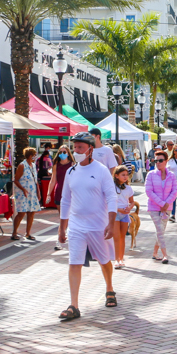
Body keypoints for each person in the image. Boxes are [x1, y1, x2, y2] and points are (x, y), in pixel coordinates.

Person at [57, 133, 118, 320]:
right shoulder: (70, 172)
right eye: (74, 148)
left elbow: (111, 196)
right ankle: (74, 305)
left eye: (80, 148)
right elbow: (65, 200)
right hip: (76, 225)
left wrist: (111, 222)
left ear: (90, 149)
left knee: (104, 260)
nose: (76, 151)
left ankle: (109, 288)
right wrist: (62, 227)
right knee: (74, 263)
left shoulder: (101, 170)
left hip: (98, 225)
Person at [144, 150, 175, 264]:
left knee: (161, 231)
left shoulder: (171, 175)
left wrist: (166, 203)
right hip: (154, 207)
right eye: (156, 161)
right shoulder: (150, 175)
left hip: (167, 208)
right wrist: (162, 204)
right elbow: (149, 191)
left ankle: (155, 253)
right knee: (160, 231)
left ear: (166, 161)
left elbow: (174, 191)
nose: (158, 163)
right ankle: (165, 255)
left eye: (160, 160)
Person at [110, 165, 137, 269]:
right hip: (115, 214)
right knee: (116, 237)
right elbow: (108, 202)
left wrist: (130, 208)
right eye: (123, 175)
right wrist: (118, 209)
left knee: (122, 237)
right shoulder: (112, 187)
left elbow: (132, 201)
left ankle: (121, 258)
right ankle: (116, 259)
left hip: (125, 214)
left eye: (126, 175)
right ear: (116, 176)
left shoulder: (128, 188)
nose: (125, 177)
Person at [12, 147, 41, 241]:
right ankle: (14, 232)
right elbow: (16, 180)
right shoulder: (22, 165)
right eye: (34, 155)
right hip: (22, 193)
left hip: (32, 193)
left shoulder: (33, 165)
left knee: (31, 212)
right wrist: (23, 189)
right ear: (30, 156)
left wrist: (38, 192)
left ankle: (28, 233)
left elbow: (35, 180)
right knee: (21, 213)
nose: (35, 157)